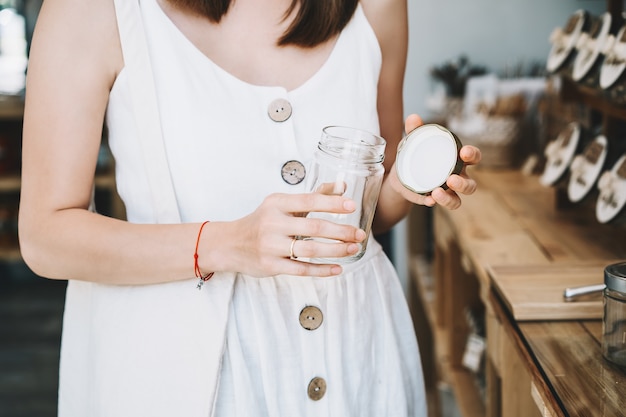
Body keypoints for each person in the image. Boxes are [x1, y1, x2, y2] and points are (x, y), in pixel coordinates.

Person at [18, 0, 481, 415]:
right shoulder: (93, 10)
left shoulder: (375, 7)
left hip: (359, 355)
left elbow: (372, 215)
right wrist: (225, 243)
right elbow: (45, 236)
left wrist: (400, 186)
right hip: (186, 374)